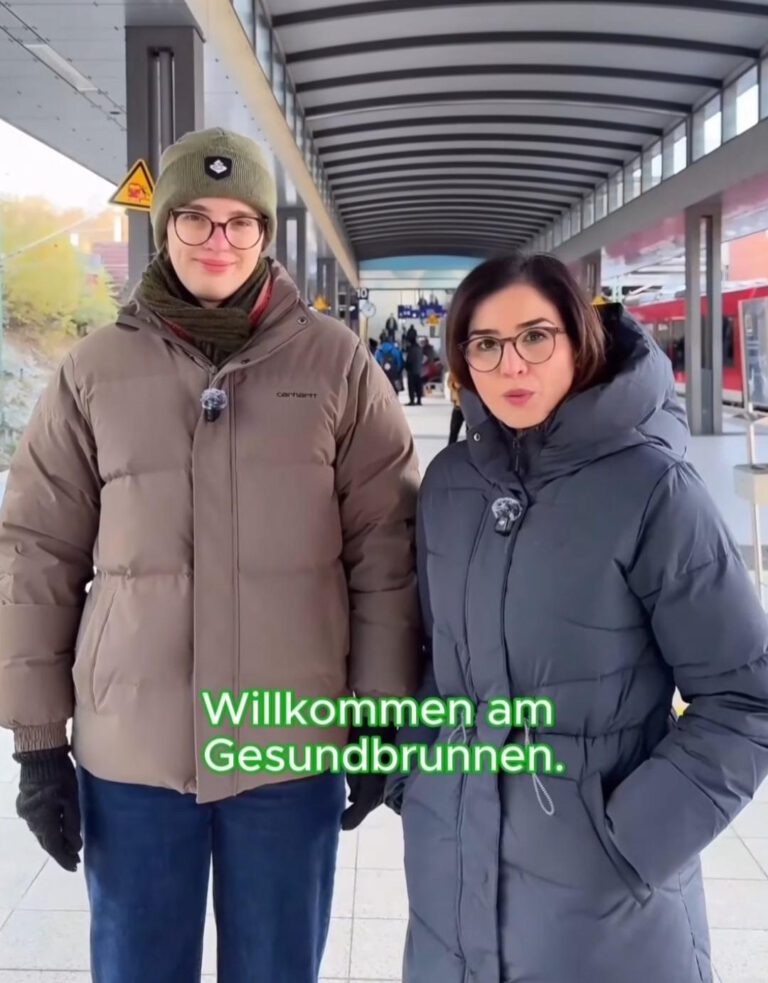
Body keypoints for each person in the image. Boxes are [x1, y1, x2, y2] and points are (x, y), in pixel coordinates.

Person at [0, 127, 421, 983]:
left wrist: (381, 711)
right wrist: (38, 741)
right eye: (195, 217)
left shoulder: (336, 364)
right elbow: (36, 550)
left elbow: (387, 547)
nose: (217, 240)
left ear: (265, 233)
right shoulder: (94, 370)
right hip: (134, 756)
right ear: (166, 227)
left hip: (288, 749)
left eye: (240, 220)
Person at [386, 252, 768, 983]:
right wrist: (417, 772)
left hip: (606, 906)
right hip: (450, 876)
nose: (511, 364)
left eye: (536, 336)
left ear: (578, 339)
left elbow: (746, 697)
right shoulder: (449, 484)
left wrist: (631, 841)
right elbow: (440, 657)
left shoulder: (653, 487)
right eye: (485, 343)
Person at [405, 336, 425, 406]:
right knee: (418, 386)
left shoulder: (411, 349)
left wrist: (406, 366)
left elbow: (409, 360)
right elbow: (422, 358)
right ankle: (419, 400)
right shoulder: (420, 349)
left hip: (412, 371)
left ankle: (412, 401)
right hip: (419, 371)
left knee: (411, 387)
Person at [447, 372, 464, 443]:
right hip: (458, 406)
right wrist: (455, 385)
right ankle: (450, 448)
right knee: (453, 430)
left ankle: (472, 449)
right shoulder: (454, 370)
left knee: (471, 432)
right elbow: (449, 383)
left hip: (471, 406)